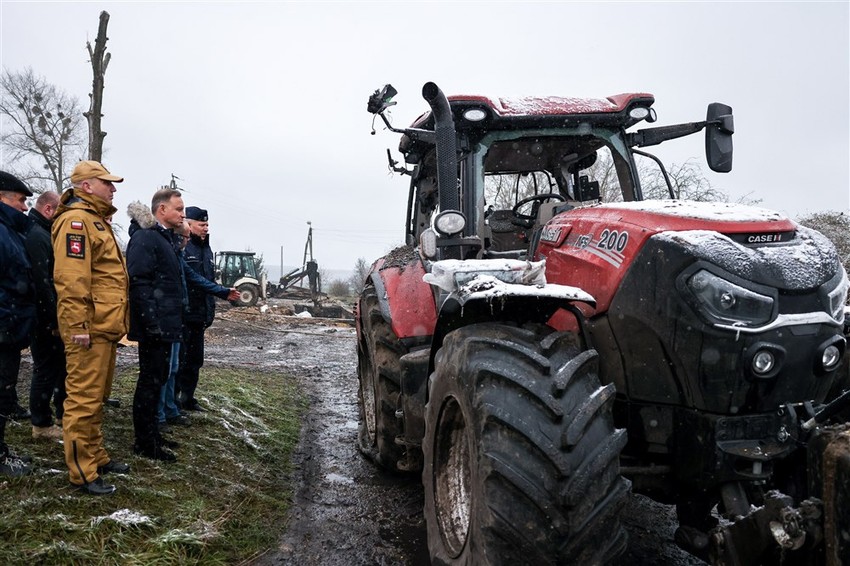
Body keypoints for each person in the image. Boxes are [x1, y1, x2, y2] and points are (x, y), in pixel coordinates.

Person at [53, 160, 130, 496]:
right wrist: (78, 325)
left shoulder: (96, 222)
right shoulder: (76, 222)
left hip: (104, 326)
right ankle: (82, 472)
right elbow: (72, 279)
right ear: (87, 186)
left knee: (98, 398)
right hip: (88, 327)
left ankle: (96, 456)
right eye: (107, 183)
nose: (113, 189)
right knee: (83, 400)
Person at [126, 188, 188, 461]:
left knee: (159, 379)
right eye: (178, 209)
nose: (182, 214)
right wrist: (151, 324)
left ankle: (153, 434)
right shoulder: (145, 238)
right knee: (149, 384)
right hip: (155, 328)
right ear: (162, 210)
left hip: (166, 325)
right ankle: (144, 442)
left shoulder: (163, 238)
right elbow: (139, 284)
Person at [0, 171, 36, 477]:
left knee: (4, 388)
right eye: (20, 200)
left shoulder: (11, 231)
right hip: (3, 325)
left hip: (9, 326)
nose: (25, 207)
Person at [24, 190, 66, 441]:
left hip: (47, 314)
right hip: (43, 319)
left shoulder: (43, 233)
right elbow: (43, 283)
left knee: (56, 367)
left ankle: (58, 415)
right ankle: (40, 423)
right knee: (45, 369)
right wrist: (52, 320)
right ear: (49, 210)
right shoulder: (38, 236)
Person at [177, 206, 219, 411]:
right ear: (189, 224)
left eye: (207, 224)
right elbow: (192, 281)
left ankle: (188, 398)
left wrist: (210, 311)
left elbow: (208, 279)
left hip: (200, 315)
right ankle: (174, 400)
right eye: (202, 225)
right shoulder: (184, 248)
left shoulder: (206, 250)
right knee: (180, 360)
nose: (206, 228)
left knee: (195, 360)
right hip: (186, 314)